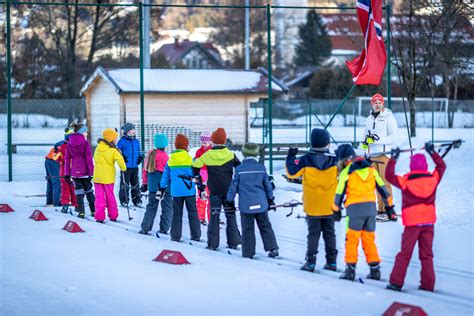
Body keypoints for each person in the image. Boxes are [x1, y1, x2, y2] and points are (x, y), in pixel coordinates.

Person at [385, 143, 446, 292]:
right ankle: (428, 284)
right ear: (425, 166)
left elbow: (389, 176)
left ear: (412, 167)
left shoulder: (405, 182)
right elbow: (441, 167)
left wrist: (393, 158)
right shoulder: (433, 179)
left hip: (412, 224)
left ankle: (396, 282)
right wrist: (433, 153)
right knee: (427, 255)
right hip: (428, 223)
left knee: (405, 254)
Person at [332, 145, 393, 281]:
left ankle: (350, 270)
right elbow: (384, 190)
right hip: (371, 210)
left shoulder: (346, 173)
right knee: (369, 240)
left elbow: (338, 195)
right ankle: (375, 270)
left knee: (352, 240)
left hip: (354, 211)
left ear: (343, 159)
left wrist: (335, 210)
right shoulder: (371, 170)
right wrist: (390, 208)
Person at [286, 128, 339, 272]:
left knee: (313, 234)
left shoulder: (305, 159)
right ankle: (332, 262)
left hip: (313, 204)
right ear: (327, 144)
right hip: (329, 204)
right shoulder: (334, 160)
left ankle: (310, 262)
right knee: (330, 233)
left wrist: (291, 157)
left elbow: (292, 173)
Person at [192, 128, 242, 251]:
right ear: (224, 141)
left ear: (213, 141)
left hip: (214, 191)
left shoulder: (208, 155)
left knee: (214, 216)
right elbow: (240, 168)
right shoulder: (231, 155)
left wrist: (197, 176)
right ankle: (234, 241)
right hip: (228, 191)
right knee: (231, 215)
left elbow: (195, 165)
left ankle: (213, 243)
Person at [227, 143, 279, 259]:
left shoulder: (239, 170)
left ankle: (248, 252)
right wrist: (270, 199)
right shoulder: (261, 168)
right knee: (265, 225)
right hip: (261, 204)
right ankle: (273, 248)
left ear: (244, 153)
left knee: (247, 228)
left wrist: (229, 200)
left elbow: (233, 187)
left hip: (246, 205)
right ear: (256, 153)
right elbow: (267, 186)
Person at [361, 93, 398, 221]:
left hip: (384, 154)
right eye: (375, 102)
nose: (377, 104)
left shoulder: (389, 117)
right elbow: (366, 136)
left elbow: (393, 137)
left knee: (385, 183)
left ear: (383, 104)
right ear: (372, 104)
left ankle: (389, 210)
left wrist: (377, 140)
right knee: (377, 183)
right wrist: (365, 145)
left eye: (380, 102)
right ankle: (380, 209)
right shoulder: (369, 119)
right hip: (372, 155)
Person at [160, 134, 201, 242]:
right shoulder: (190, 159)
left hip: (176, 191)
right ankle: (196, 235)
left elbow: (165, 176)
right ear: (186, 146)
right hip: (189, 191)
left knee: (177, 213)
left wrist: (162, 187)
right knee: (192, 212)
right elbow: (195, 174)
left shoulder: (170, 160)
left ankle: (175, 235)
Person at [139, 133, 173, 236]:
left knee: (151, 207)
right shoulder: (166, 157)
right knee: (167, 207)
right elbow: (169, 173)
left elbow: (145, 171)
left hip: (153, 187)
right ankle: (164, 228)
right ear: (165, 145)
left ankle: (145, 228)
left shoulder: (150, 155)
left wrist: (145, 183)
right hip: (165, 187)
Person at [93, 128, 127, 223]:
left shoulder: (98, 148)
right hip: (108, 178)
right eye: (115, 138)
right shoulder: (113, 150)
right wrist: (123, 168)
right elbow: (120, 160)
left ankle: (99, 216)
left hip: (98, 177)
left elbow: (95, 159)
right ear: (111, 139)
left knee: (99, 197)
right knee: (110, 196)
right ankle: (113, 215)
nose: (116, 140)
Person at [64, 123, 95, 219]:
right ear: (81, 132)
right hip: (85, 172)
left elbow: (67, 159)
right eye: (85, 132)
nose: (87, 134)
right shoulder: (85, 143)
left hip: (75, 173)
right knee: (89, 191)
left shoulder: (69, 143)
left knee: (79, 192)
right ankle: (93, 211)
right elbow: (88, 159)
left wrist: (67, 173)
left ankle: (81, 212)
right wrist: (91, 172)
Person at [117, 123, 144, 207]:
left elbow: (139, 151)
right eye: (130, 131)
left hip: (135, 167)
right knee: (125, 184)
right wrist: (122, 157)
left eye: (133, 131)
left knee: (135, 184)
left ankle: (137, 200)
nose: (132, 132)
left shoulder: (136, 141)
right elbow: (117, 151)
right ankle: (124, 200)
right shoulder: (122, 141)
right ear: (126, 132)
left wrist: (140, 157)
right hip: (125, 167)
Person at [55, 128, 78, 213]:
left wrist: (57, 152)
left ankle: (65, 206)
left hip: (63, 172)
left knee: (65, 189)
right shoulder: (75, 147)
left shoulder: (61, 147)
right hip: (73, 171)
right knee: (74, 189)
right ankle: (77, 206)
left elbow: (56, 159)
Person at [194, 131, 212, 225]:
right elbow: (196, 163)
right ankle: (200, 217)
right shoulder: (199, 151)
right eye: (202, 141)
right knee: (202, 197)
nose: (204, 143)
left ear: (210, 142)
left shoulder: (212, 151)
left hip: (211, 177)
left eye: (206, 141)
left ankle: (211, 217)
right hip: (202, 177)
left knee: (211, 198)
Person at [44, 142, 62, 207]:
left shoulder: (64, 142)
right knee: (57, 183)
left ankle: (50, 203)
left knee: (50, 182)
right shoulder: (71, 144)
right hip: (54, 161)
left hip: (48, 160)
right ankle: (56, 204)